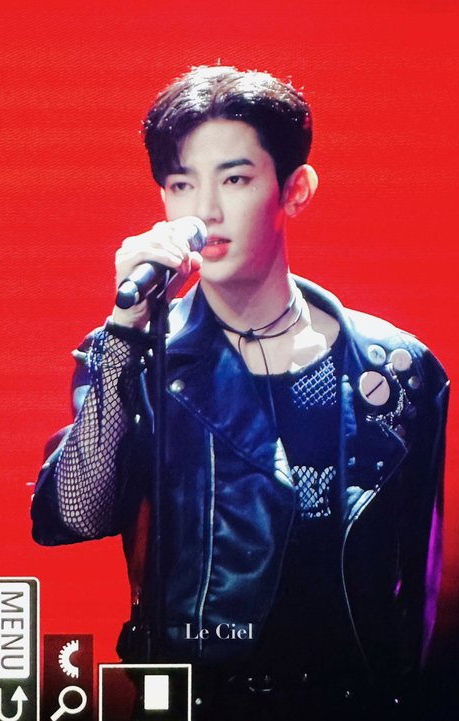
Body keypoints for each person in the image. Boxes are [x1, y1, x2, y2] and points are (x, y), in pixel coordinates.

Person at [32, 65, 449, 720]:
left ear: (295, 189)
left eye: (235, 179)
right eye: (182, 184)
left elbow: (420, 585)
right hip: (196, 702)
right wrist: (125, 328)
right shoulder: (140, 355)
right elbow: (77, 515)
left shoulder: (396, 369)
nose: (206, 210)